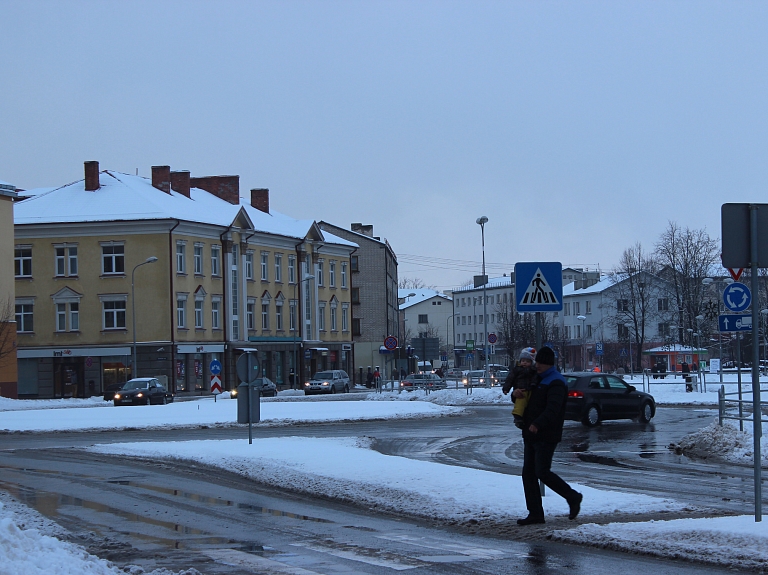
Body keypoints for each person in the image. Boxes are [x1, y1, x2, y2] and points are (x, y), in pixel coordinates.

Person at [514, 346, 582, 525]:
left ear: (549, 364)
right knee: (528, 474)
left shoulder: (556, 382)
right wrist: (516, 394)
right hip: (530, 433)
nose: (537, 366)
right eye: (537, 362)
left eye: (541, 363)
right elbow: (526, 398)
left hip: (546, 434)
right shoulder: (537, 379)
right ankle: (535, 513)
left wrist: (538, 423)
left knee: (541, 471)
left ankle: (573, 496)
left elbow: (554, 409)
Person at [502, 347, 537, 428]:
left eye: (527, 361)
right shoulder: (517, 370)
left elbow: (535, 378)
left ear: (531, 362)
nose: (524, 363)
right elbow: (510, 379)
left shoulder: (533, 370)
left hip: (530, 389)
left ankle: (520, 416)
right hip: (521, 389)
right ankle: (517, 415)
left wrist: (533, 384)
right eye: (523, 361)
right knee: (520, 402)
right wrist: (506, 388)